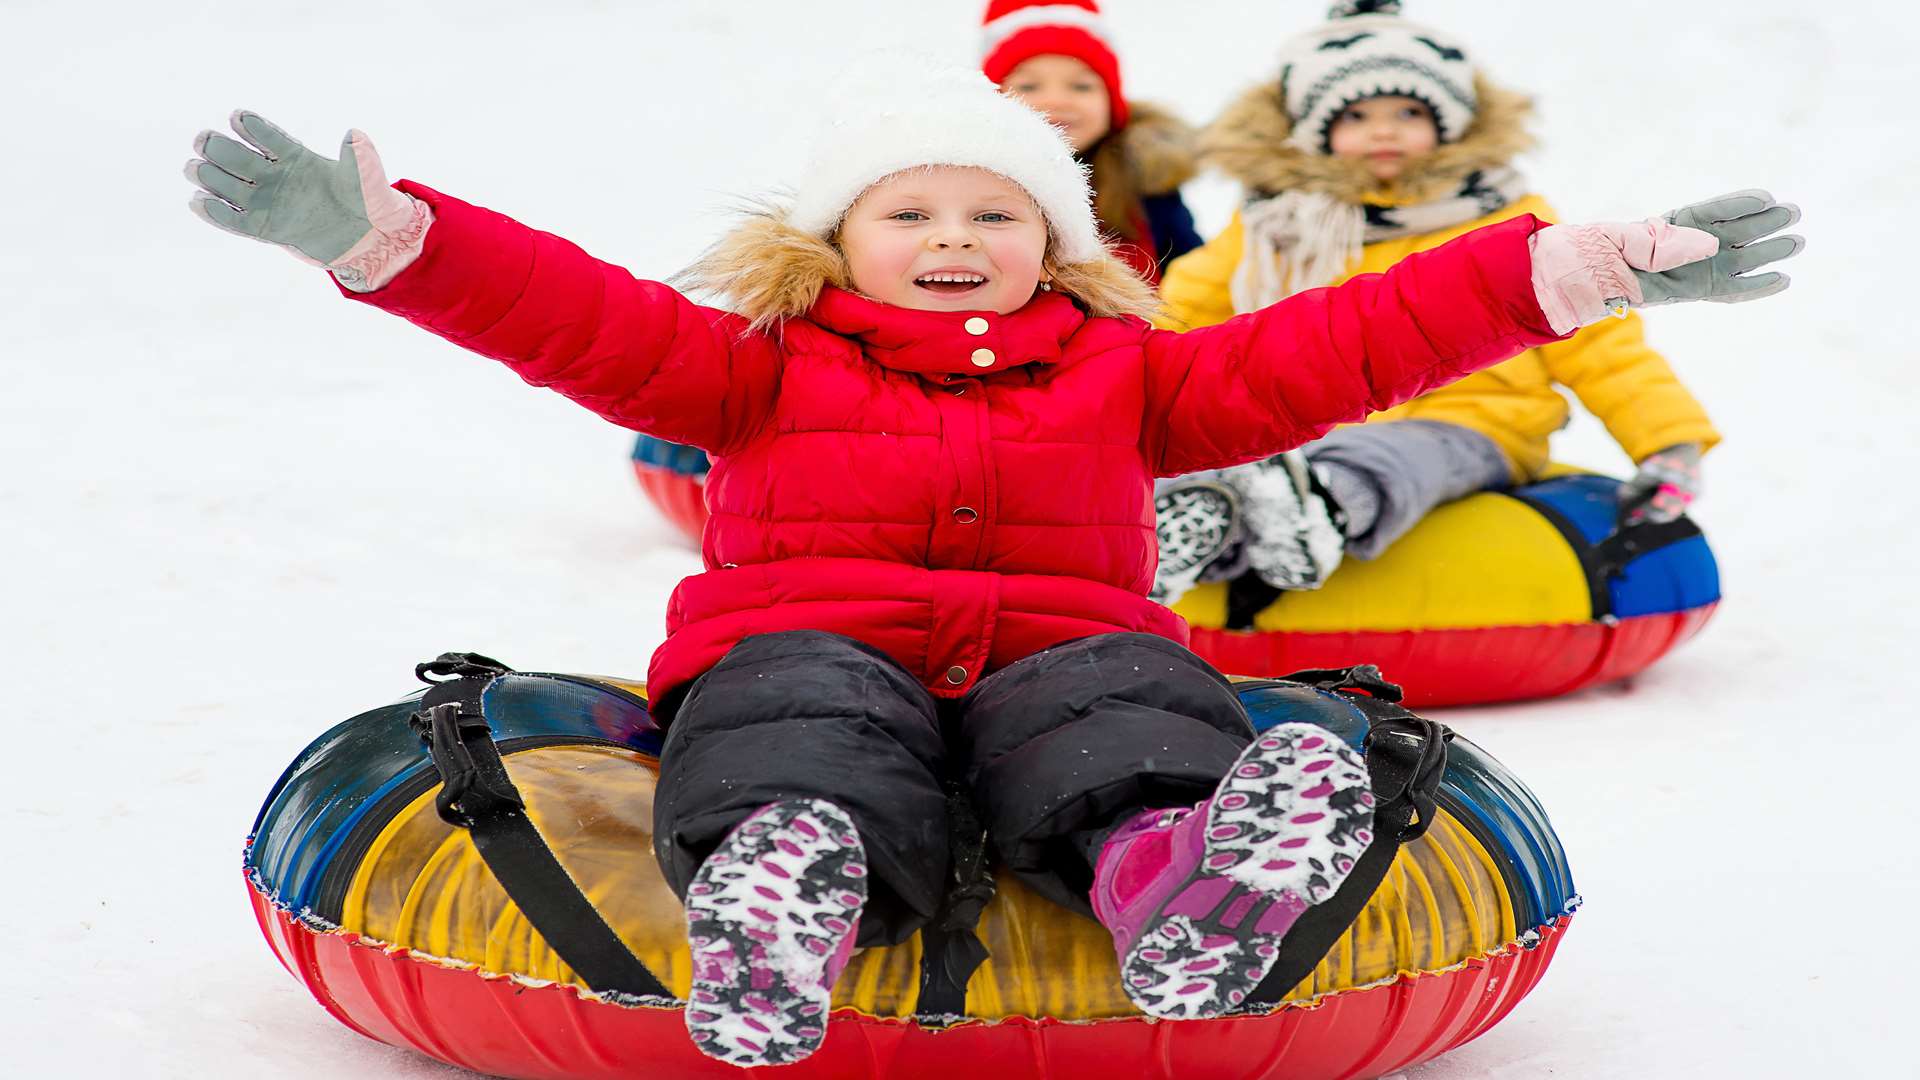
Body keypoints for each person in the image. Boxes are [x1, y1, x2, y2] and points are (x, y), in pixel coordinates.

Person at [182, 58, 1793, 1066]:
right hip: (812, 630)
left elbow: (1344, 342)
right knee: (795, 710)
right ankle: (778, 896)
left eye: (999, 214)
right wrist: (393, 242)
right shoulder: (754, 366)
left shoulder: (1135, 374)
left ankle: (1184, 877)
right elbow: (578, 316)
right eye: (915, 213)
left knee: (1135, 705)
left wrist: (1563, 271)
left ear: (1059, 246)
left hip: (1055, 642)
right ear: (836, 245)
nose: (958, 238)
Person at [1150, 0, 1795, 605]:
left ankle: (1317, 511)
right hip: (1316, 421)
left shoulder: (1505, 220)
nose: (1384, 132)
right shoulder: (1275, 229)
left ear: (1450, 124)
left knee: (1398, 458)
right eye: (1355, 115)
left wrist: (1668, 442)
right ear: (1313, 130)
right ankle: (1185, 532)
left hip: (1476, 423)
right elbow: (1186, 323)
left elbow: (1605, 346)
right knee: (1249, 455)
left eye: (1409, 113)